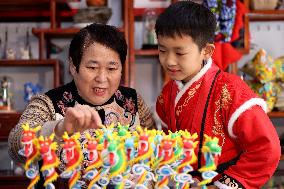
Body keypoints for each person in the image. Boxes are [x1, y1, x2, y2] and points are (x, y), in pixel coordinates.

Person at [8, 23, 155, 184]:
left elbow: (154, 151)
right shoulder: (47, 103)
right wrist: (60, 129)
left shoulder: (133, 101)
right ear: (73, 66)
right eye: (92, 67)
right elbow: (16, 146)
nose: (102, 78)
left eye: (112, 69)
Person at [155, 1, 280, 188]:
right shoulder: (167, 94)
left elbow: (267, 149)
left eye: (180, 53)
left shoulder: (231, 91)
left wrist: (222, 185)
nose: (169, 61)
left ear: (206, 51)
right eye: (162, 50)